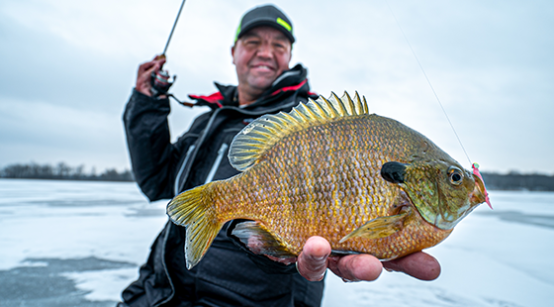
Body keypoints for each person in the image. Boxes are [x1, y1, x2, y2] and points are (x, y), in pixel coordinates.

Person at [121, 4, 440, 307]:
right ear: (234, 52)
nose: (265, 52)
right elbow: (157, 182)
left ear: (289, 56)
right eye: (253, 42)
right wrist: (146, 107)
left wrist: (272, 244)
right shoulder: (208, 121)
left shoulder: (308, 122)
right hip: (157, 292)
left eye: (278, 45)